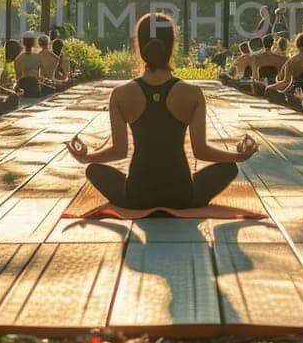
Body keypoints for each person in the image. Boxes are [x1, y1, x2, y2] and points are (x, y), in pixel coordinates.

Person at [66, 12, 259, 209]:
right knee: (229, 168)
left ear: (140, 47)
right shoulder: (192, 93)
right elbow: (201, 151)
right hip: (182, 196)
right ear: (171, 46)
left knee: (93, 169)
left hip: (137, 196)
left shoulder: (120, 94)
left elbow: (119, 151)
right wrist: (239, 157)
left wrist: (86, 157)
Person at [264, 33, 303, 106]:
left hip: (293, 92)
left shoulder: (291, 61)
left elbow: (285, 82)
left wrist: (269, 87)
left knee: (269, 90)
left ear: (297, 46)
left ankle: (290, 101)